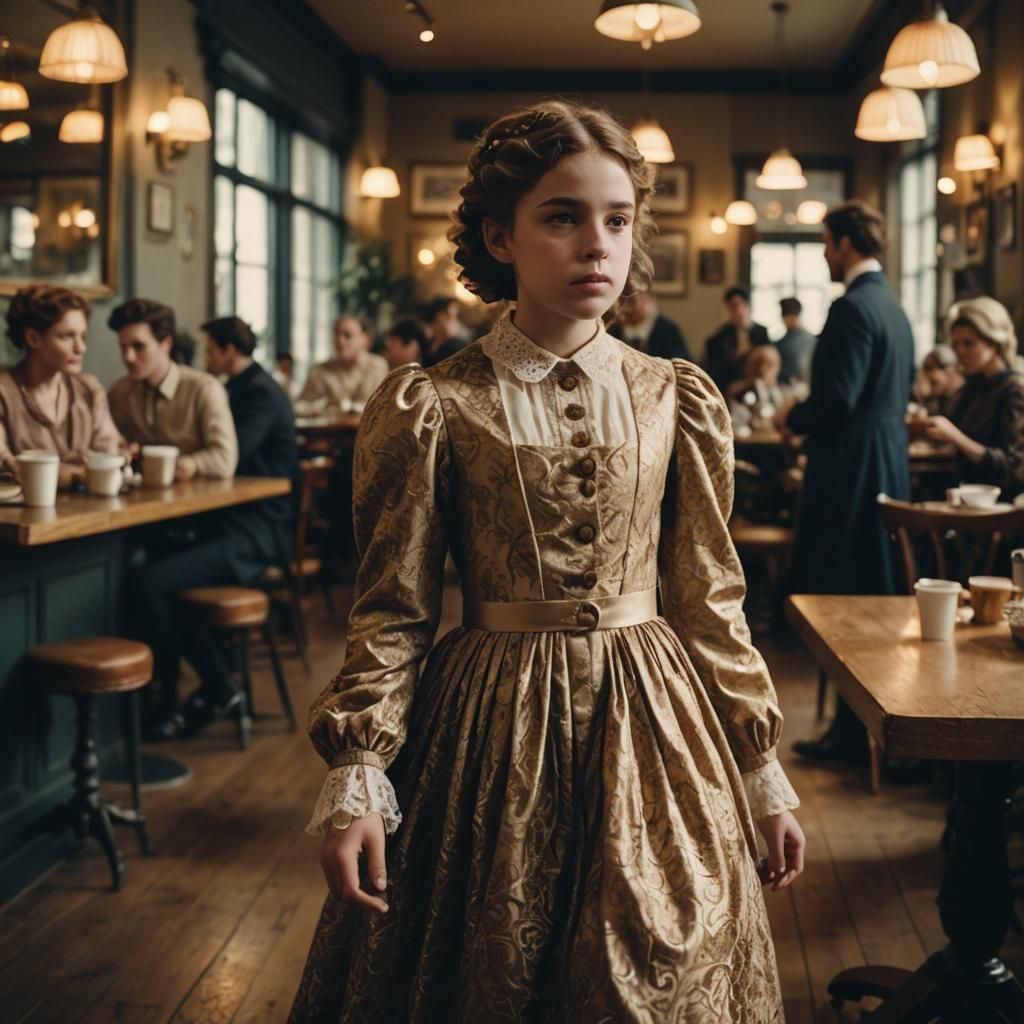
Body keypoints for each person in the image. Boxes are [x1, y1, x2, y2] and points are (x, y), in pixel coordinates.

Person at [289, 100, 803, 1024]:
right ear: (502, 236)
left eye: (617, 219)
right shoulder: (433, 403)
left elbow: (708, 595)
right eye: (562, 217)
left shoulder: (674, 396)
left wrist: (759, 767)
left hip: (655, 713)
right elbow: (393, 610)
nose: (596, 246)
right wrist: (359, 770)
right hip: (490, 721)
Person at [778, 200, 915, 764]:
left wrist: (794, 418)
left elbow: (838, 400)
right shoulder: (893, 307)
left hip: (852, 470)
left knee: (843, 599)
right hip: (886, 463)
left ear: (845, 243)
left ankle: (852, 733)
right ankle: (858, 727)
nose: (824, 256)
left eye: (826, 244)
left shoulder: (853, 308)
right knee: (869, 596)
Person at [126, 316, 297, 740]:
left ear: (228, 349)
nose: (205, 357)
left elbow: (230, 456)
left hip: (255, 532)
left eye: (210, 349)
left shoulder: (256, 393)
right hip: (227, 523)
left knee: (151, 583)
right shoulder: (237, 389)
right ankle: (201, 685)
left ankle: (209, 686)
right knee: (154, 569)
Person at [0, 284, 123, 484]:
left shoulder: (89, 390)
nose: (80, 348)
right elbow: (7, 467)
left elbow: (111, 458)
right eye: (66, 336)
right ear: (33, 338)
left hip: (91, 511)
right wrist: (80, 473)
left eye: (83, 336)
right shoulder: (4, 392)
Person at [107, 298, 237, 480]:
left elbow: (225, 459)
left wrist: (191, 464)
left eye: (138, 346)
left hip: (200, 501)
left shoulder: (204, 389)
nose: (128, 357)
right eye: (123, 347)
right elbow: (113, 446)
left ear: (166, 344)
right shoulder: (119, 393)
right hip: (142, 499)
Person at [923, 297, 1024, 496]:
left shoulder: (1014, 391)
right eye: (956, 344)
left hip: (999, 503)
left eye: (969, 344)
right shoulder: (973, 387)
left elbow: (1012, 468)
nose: (960, 352)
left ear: (994, 343)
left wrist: (956, 437)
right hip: (965, 494)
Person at [299, 315, 388, 406]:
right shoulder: (318, 371)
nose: (340, 341)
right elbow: (302, 407)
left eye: (347, 335)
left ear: (364, 339)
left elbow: (384, 406)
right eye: (336, 335)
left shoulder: (378, 366)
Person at [703, 286, 771, 395]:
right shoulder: (719, 338)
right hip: (730, 387)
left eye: (739, 305)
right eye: (731, 307)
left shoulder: (761, 332)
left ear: (747, 306)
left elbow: (769, 364)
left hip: (756, 385)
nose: (737, 311)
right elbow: (715, 370)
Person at [608, 289, 691, 360]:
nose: (625, 308)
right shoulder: (613, 331)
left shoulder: (668, 330)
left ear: (647, 299)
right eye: (619, 302)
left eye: (631, 301)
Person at [727, 343, 785, 413]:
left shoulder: (773, 390)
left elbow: (776, 406)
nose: (763, 368)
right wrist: (749, 381)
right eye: (760, 363)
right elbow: (729, 391)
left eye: (768, 365)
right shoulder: (739, 372)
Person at [914, 343, 964, 418]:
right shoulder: (942, 398)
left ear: (949, 369)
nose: (924, 375)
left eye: (929, 368)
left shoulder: (963, 399)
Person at [775, 297, 816, 385]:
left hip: (795, 388)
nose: (782, 320)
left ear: (793, 317)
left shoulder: (783, 344)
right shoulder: (813, 340)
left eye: (784, 316)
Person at [421, 295, 470, 366]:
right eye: (452, 317)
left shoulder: (459, 348)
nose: (456, 322)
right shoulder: (422, 345)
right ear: (440, 316)